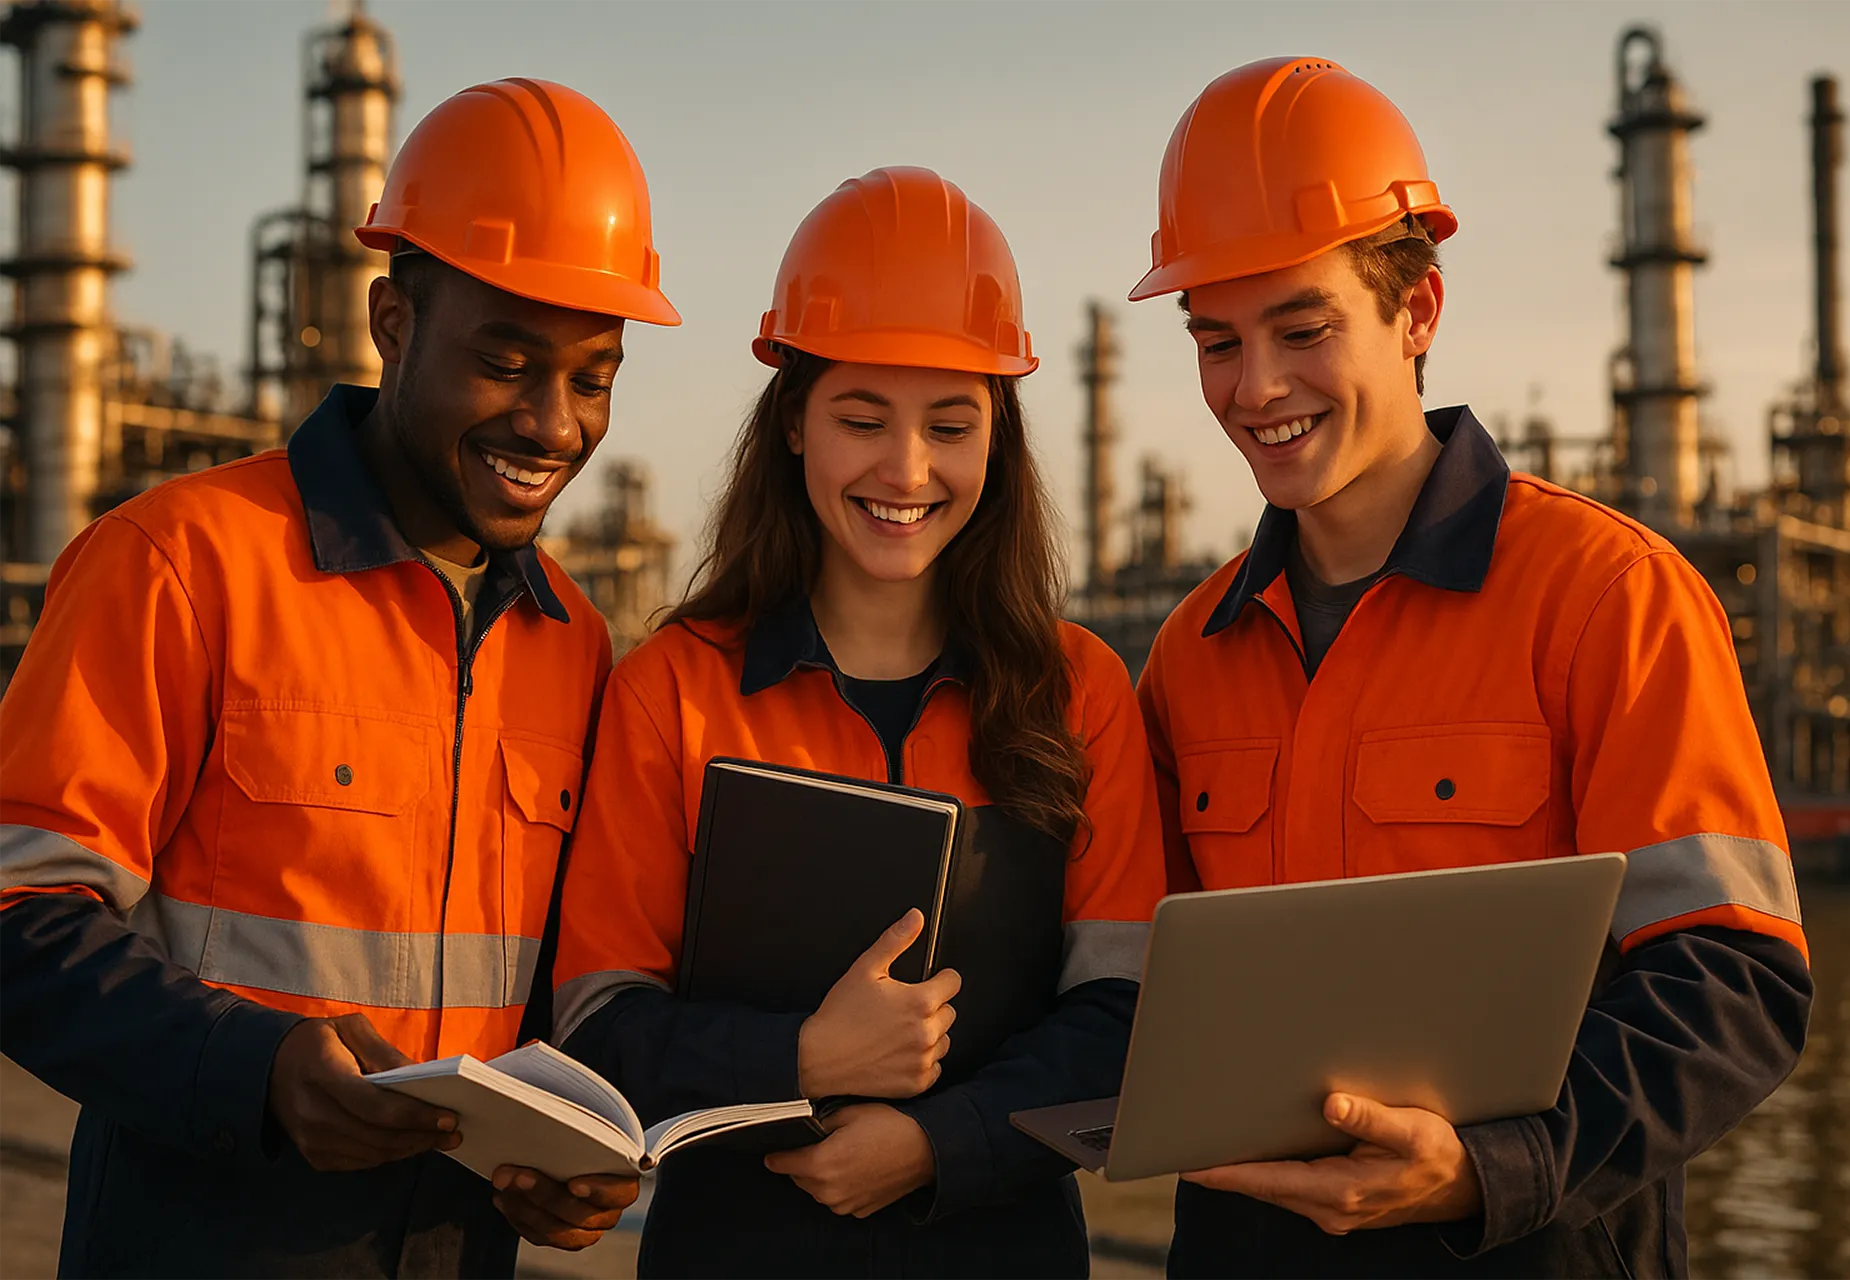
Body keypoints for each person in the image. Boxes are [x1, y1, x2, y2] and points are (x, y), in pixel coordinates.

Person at [1128, 58, 1813, 1278]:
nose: (1256, 387)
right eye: (1217, 340)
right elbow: (1142, 986)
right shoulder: (1193, 652)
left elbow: (1736, 980)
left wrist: (1497, 1166)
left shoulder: (1608, 598)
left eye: (1304, 326)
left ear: (1418, 311)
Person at [0, 78, 678, 1278]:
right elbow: (19, 914)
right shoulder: (180, 562)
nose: (553, 424)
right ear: (393, 321)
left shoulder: (569, 637)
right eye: (508, 361)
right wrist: (252, 1068)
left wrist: (565, 1155)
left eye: (593, 376)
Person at [550, 165, 1167, 1278]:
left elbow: (1127, 1019)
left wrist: (939, 1144)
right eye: (862, 416)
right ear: (794, 423)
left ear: (999, 438)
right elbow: (598, 1028)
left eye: (951, 422)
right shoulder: (676, 691)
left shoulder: (1077, 696)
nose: (908, 468)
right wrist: (802, 1055)